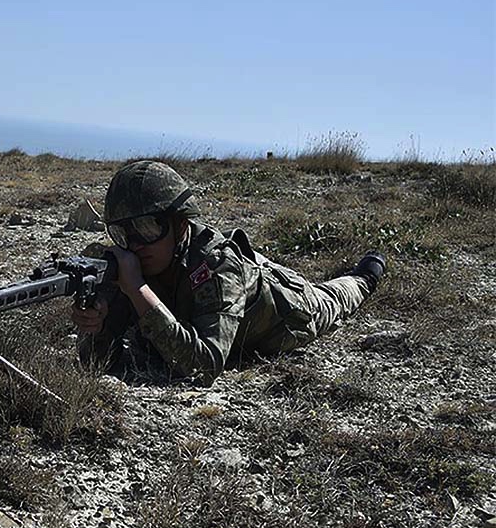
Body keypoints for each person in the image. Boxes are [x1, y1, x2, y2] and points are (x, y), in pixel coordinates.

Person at [71, 160, 386, 385]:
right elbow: (97, 363)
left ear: (180, 224)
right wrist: (97, 328)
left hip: (288, 308)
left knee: (335, 297)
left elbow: (203, 366)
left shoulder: (217, 267)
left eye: (147, 227)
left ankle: (366, 274)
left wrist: (138, 290)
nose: (135, 244)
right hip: (242, 275)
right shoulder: (136, 262)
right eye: (122, 233)